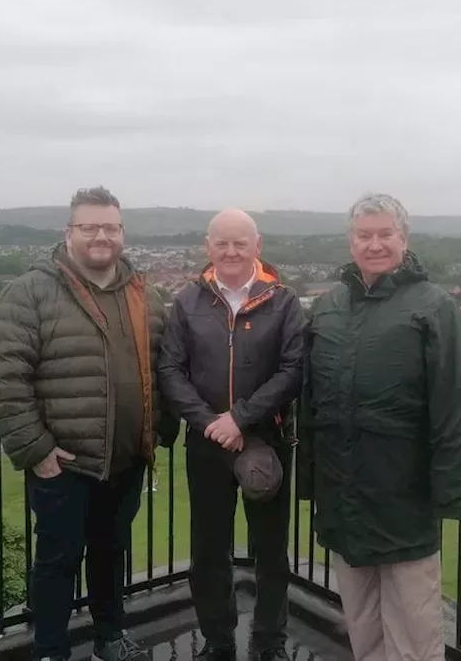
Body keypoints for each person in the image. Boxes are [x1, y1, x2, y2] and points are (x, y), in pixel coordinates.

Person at [0, 186, 177, 661]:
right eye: (89, 226)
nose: (100, 236)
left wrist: (159, 432)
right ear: (68, 232)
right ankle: (50, 650)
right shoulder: (30, 291)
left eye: (110, 227)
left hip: (126, 459)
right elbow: (4, 377)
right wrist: (36, 450)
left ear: (122, 233)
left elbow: (163, 367)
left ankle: (110, 638)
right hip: (64, 462)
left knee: (111, 554)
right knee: (57, 561)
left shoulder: (144, 295)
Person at [297, 193, 461, 661]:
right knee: (361, 621)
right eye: (364, 235)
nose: (374, 244)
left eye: (384, 234)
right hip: (342, 491)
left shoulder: (434, 307)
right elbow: (310, 401)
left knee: (414, 629)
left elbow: (454, 406)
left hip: (405, 494)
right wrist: (311, 480)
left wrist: (447, 491)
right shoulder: (329, 306)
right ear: (350, 241)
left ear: (404, 238)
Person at [157, 209, 305, 661]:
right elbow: (170, 370)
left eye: (241, 242)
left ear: (257, 246)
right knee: (208, 552)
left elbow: (293, 371)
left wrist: (240, 419)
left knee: (272, 553)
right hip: (206, 445)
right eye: (222, 242)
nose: (231, 251)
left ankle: (269, 642)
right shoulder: (187, 302)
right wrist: (211, 423)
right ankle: (218, 641)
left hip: (267, 442)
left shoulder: (284, 301)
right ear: (208, 246)